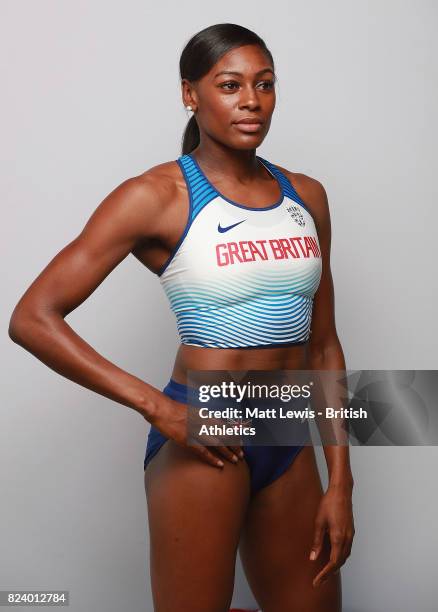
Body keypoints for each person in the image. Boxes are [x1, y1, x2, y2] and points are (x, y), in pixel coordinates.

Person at [9, 22, 355, 612]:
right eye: (230, 85)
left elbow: (322, 347)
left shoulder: (307, 197)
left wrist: (342, 479)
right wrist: (161, 409)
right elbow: (33, 317)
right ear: (190, 94)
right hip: (204, 435)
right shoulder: (157, 196)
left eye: (264, 84)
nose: (251, 100)